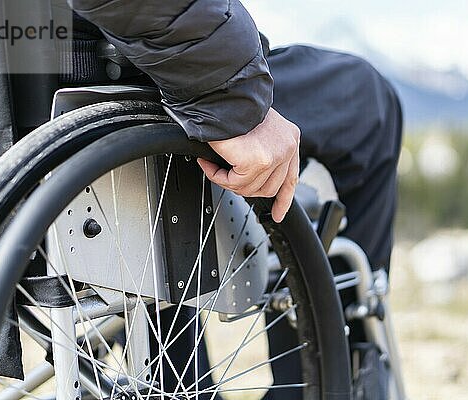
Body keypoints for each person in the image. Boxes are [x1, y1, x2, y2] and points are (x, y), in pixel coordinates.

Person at [69, 0, 402, 272]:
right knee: (366, 101)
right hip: (140, 76)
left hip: (42, 105)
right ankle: (336, 345)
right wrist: (231, 97)